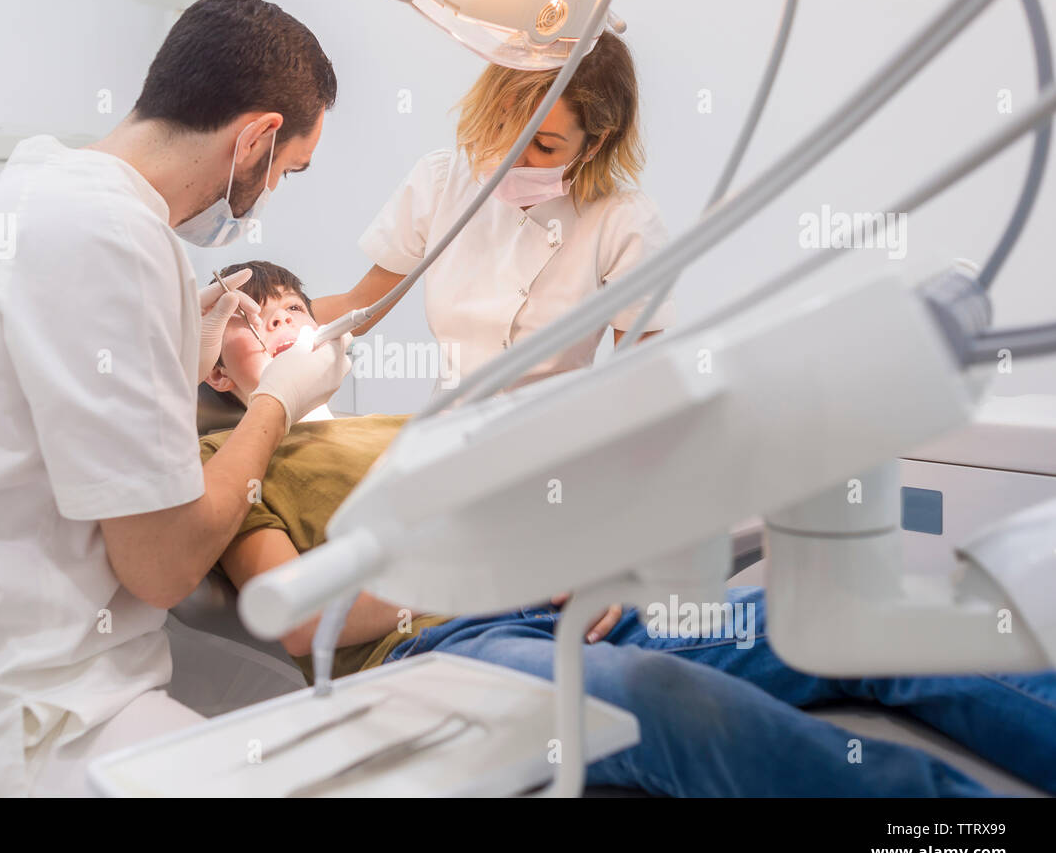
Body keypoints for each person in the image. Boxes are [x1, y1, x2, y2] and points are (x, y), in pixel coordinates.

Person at [202, 261, 1056, 796]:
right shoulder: (228, 457)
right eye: (246, 320)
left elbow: (538, 506)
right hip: (442, 650)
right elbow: (305, 619)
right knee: (662, 701)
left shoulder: (402, 426)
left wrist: (588, 559)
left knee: (868, 620)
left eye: (288, 309)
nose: (274, 325)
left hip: (577, 602)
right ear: (209, 364)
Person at [0, 0, 352, 797]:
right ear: (258, 138)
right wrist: (278, 403)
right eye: (287, 171)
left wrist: (172, 360)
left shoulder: (25, 198)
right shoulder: (116, 237)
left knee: (282, 699)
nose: (270, 195)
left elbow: (38, 406)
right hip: (26, 724)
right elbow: (161, 566)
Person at [313, 31, 672, 390]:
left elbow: (639, 382)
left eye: (544, 146)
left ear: (596, 143)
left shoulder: (623, 222)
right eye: (503, 126)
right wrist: (270, 322)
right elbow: (358, 307)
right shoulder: (442, 182)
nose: (512, 157)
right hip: (446, 430)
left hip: (558, 436)